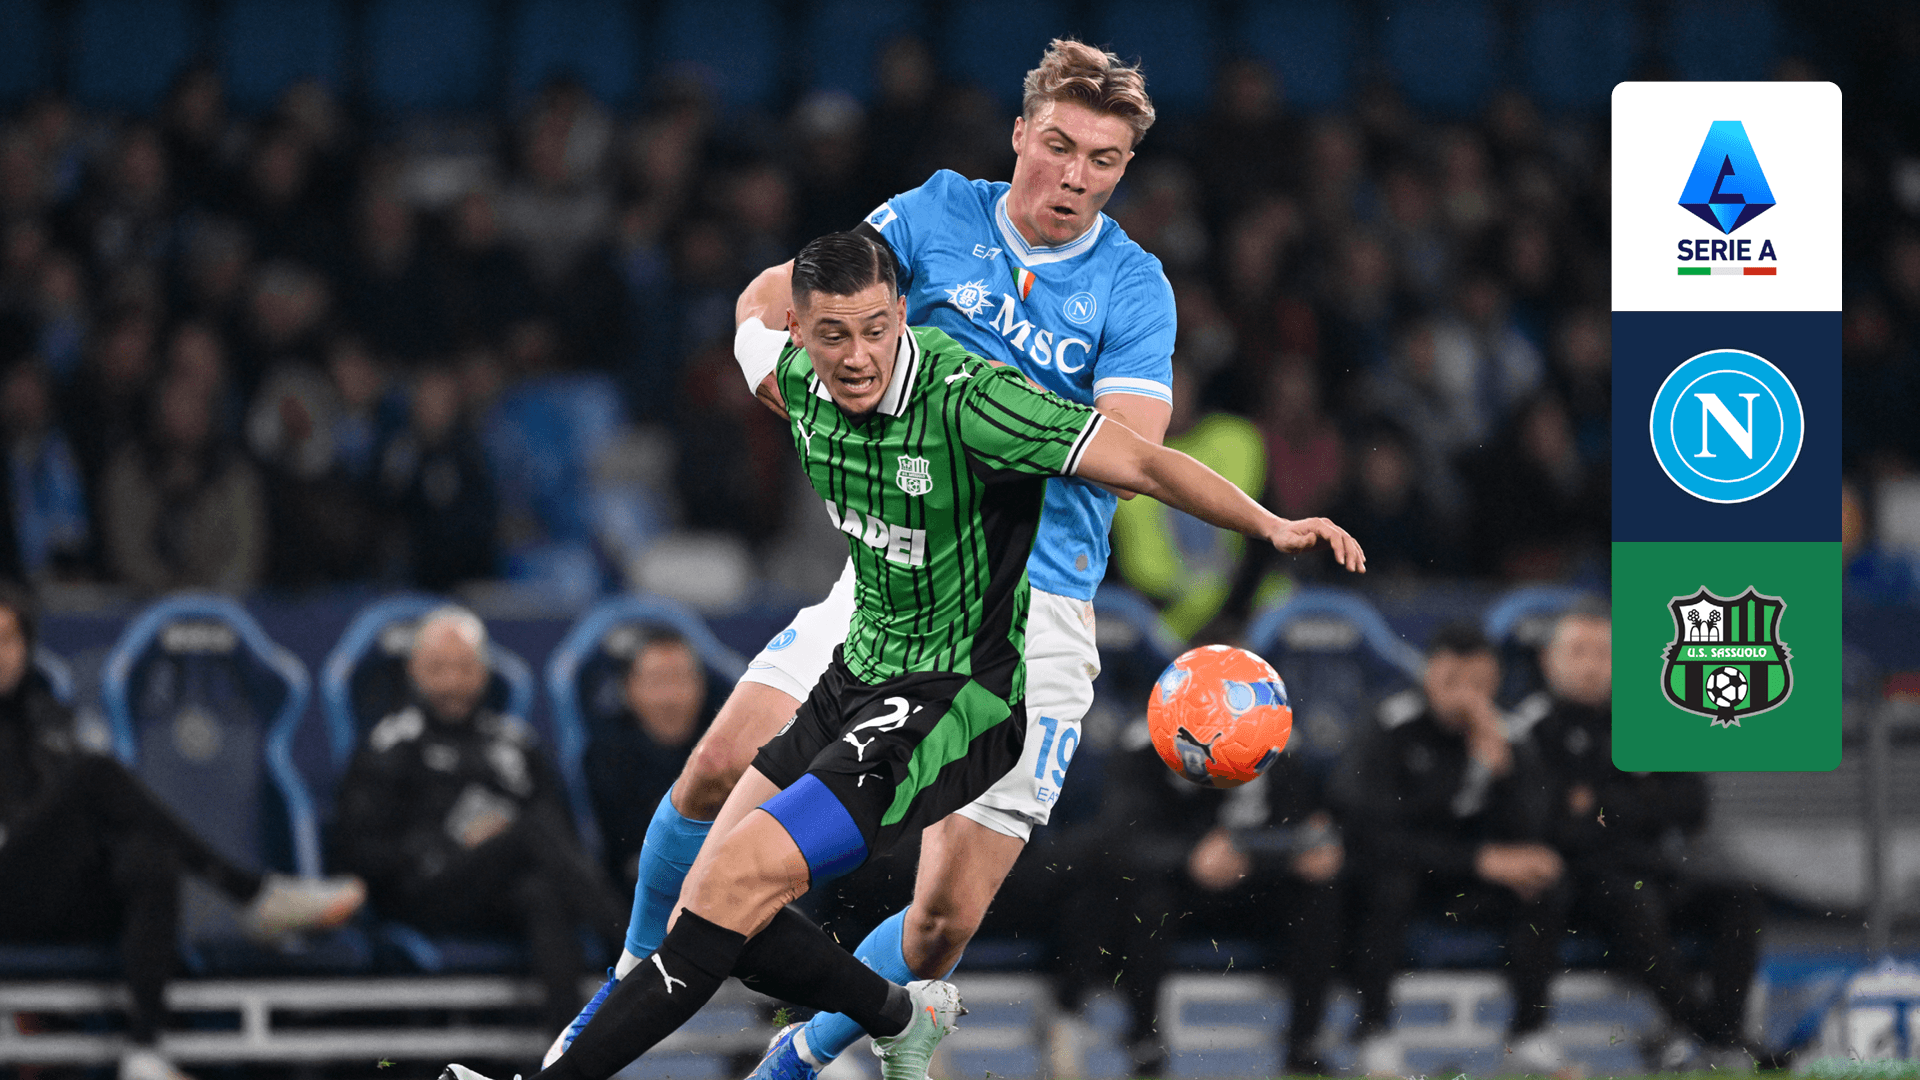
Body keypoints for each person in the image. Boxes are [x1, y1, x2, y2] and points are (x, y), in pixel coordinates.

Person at [459, 230, 1363, 1080]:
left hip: (954, 701)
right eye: (832, 334)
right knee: (716, 902)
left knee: (735, 885)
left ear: (902, 314)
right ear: (800, 333)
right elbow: (748, 316)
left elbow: (1142, 464)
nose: (857, 356)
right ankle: (897, 1015)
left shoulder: (972, 401)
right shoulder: (792, 382)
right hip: (856, 672)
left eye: (876, 330)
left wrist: (1270, 523)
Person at [553, 40, 1188, 1077]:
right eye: (1060, 146)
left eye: (1104, 160)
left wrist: (971, 412)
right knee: (713, 769)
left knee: (940, 924)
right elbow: (778, 295)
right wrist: (792, 382)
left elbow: (1129, 453)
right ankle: (621, 987)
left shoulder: (1133, 287)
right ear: (1019, 134)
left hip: (1034, 612)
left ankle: (799, 1056)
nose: (1076, 176)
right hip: (896, 576)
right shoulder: (934, 214)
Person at [0, 581, 364, 1080]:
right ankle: (251, 893)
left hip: (43, 898)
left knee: (148, 856)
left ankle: (145, 1051)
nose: (0, 654)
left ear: (26, 647)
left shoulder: (48, 718)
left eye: (8, 639)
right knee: (96, 775)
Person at [331, 606, 627, 1031]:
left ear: (484, 672)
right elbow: (356, 850)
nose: (453, 682)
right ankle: (631, 947)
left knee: (542, 894)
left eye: (465, 668)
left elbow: (563, 838)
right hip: (417, 895)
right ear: (414, 671)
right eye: (438, 669)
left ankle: (570, 1052)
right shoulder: (388, 746)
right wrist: (447, 843)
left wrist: (494, 840)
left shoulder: (515, 744)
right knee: (529, 829)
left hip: (494, 894)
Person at [1514, 602, 1764, 1071]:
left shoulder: (1646, 717)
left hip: (1652, 869)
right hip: (1582, 886)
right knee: (1632, 899)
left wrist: (1602, 804)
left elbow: (1692, 805)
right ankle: (1717, 1037)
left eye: (1603, 653)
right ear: (1549, 661)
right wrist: (1639, 800)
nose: (1592, 666)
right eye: (1578, 652)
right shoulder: (1532, 728)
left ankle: (1720, 1035)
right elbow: (1554, 827)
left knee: (1739, 899)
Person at [1332, 623, 1568, 1077]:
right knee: (1388, 884)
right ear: (1428, 675)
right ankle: (1373, 1030)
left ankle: (1529, 1032)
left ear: (1496, 682)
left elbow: (1535, 831)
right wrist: (1478, 859)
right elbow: (1372, 832)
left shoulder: (1507, 731)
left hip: (1467, 882)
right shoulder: (1391, 724)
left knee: (1544, 882)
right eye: (1452, 682)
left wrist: (1504, 771)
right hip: (1408, 873)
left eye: (1479, 684)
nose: (1465, 696)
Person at [585, 630, 711, 884]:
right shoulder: (606, 759)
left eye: (680, 680)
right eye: (657, 682)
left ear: (702, 686)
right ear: (628, 689)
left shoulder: (731, 751)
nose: (670, 698)